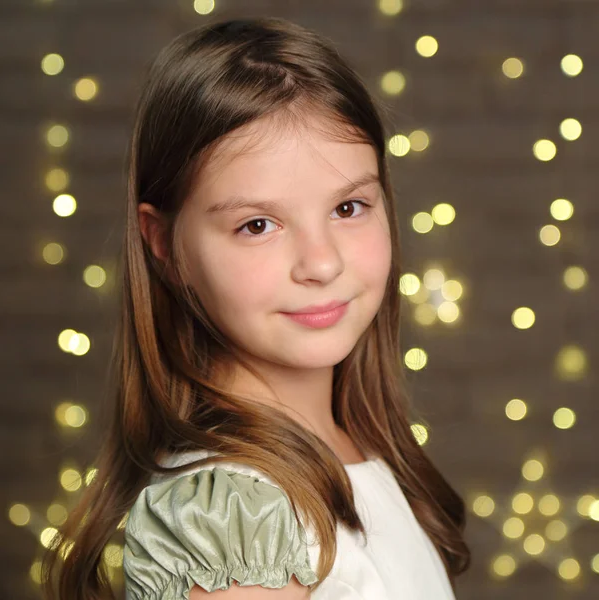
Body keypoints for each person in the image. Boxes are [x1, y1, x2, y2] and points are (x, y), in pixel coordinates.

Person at [41, 16, 470, 600]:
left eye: (348, 208)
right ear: (163, 243)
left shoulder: (354, 446)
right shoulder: (231, 520)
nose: (320, 263)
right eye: (258, 224)